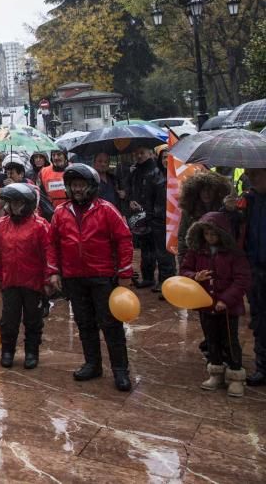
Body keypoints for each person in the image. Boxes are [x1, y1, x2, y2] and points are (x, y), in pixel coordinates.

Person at [48, 163, 135, 391]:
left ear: (91, 186)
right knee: (85, 323)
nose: (77, 189)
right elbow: (52, 244)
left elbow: (124, 240)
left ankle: (120, 370)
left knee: (110, 324)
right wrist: (54, 271)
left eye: (81, 185)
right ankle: (93, 364)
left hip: (102, 277)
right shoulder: (60, 212)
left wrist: (125, 273)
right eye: (73, 185)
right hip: (73, 278)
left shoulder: (107, 209)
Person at [180, 212, 251, 397]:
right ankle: (216, 373)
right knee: (211, 340)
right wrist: (195, 276)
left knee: (230, 340)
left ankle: (236, 376)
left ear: (222, 234)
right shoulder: (197, 250)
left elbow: (241, 280)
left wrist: (225, 300)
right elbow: (185, 269)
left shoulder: (234, 254)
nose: (210, 238)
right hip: (206, 305)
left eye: (213, 234)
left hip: (228, 308)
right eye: (206, 234)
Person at [0, 154, 50, 316]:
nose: (10, 176)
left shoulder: (32, 187)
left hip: (29, 236)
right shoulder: (0, 188)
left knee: (35, 272)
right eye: (7, 173)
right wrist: (5, 191)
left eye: (13, 173)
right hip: (6, 234)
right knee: (0, 269)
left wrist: (17, 191)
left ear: (21, 174)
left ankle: (42, 302)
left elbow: (34, 203)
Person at [0, 183, 53, 370]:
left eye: (18, 203)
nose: (13, 207)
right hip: (10, 282)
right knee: (9, 320)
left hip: (33, 284)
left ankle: (32, 352)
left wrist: (48, 280)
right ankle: (7, 350)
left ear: (28, 204)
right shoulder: (2, 224)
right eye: (10, 203)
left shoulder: (40, 225)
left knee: (33, 320)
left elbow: (49, 254)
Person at [128, 146, 174, 293]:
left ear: (150, 154)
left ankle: (166, 281)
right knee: (146, 250)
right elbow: (141, 194)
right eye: (137, 153)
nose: (139, 155)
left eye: (142, 152)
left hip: (163, 218)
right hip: (148, 216)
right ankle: (148, 277)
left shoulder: (162, 173)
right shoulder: (141, 172)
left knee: (163, 252)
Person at [240, 167, 266, 386]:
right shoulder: (248, 200)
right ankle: (262, 366)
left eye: (256, 174)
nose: (251, 177)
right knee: (259, 319)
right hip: (255, 268)